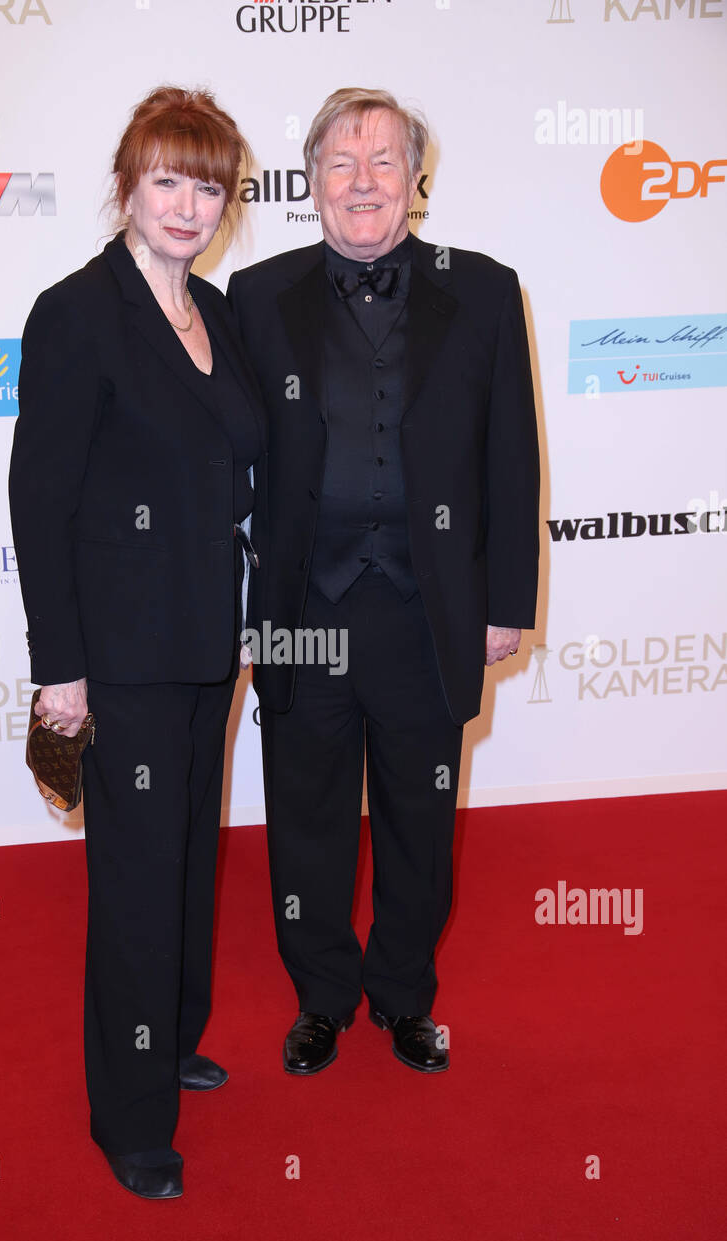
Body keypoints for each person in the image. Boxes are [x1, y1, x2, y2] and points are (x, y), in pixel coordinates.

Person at [228, 88, 539, 1077]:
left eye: (382, 162)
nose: (361, 183)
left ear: (416, 179)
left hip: (426, 609)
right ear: (309, 182)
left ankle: (403, 994)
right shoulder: (254, 294)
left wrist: (504, 603)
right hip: (299, 611)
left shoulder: (484, 291)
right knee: (305, 819)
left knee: (419, 817)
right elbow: (218, 454)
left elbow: (511, 461)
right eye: (339, 164)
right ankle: (320, 995)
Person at [8, 87, 264, 1198]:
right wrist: (58, 668)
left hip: (213, 641)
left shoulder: (215, 309)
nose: (188, 203)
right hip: (119, 652)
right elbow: (39, 500)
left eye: (207, 184)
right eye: (168, 178)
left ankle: (173, 1034)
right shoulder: (75, 313)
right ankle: (129, 1115)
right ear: (126, 184)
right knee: (134, 880)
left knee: (192, 862)